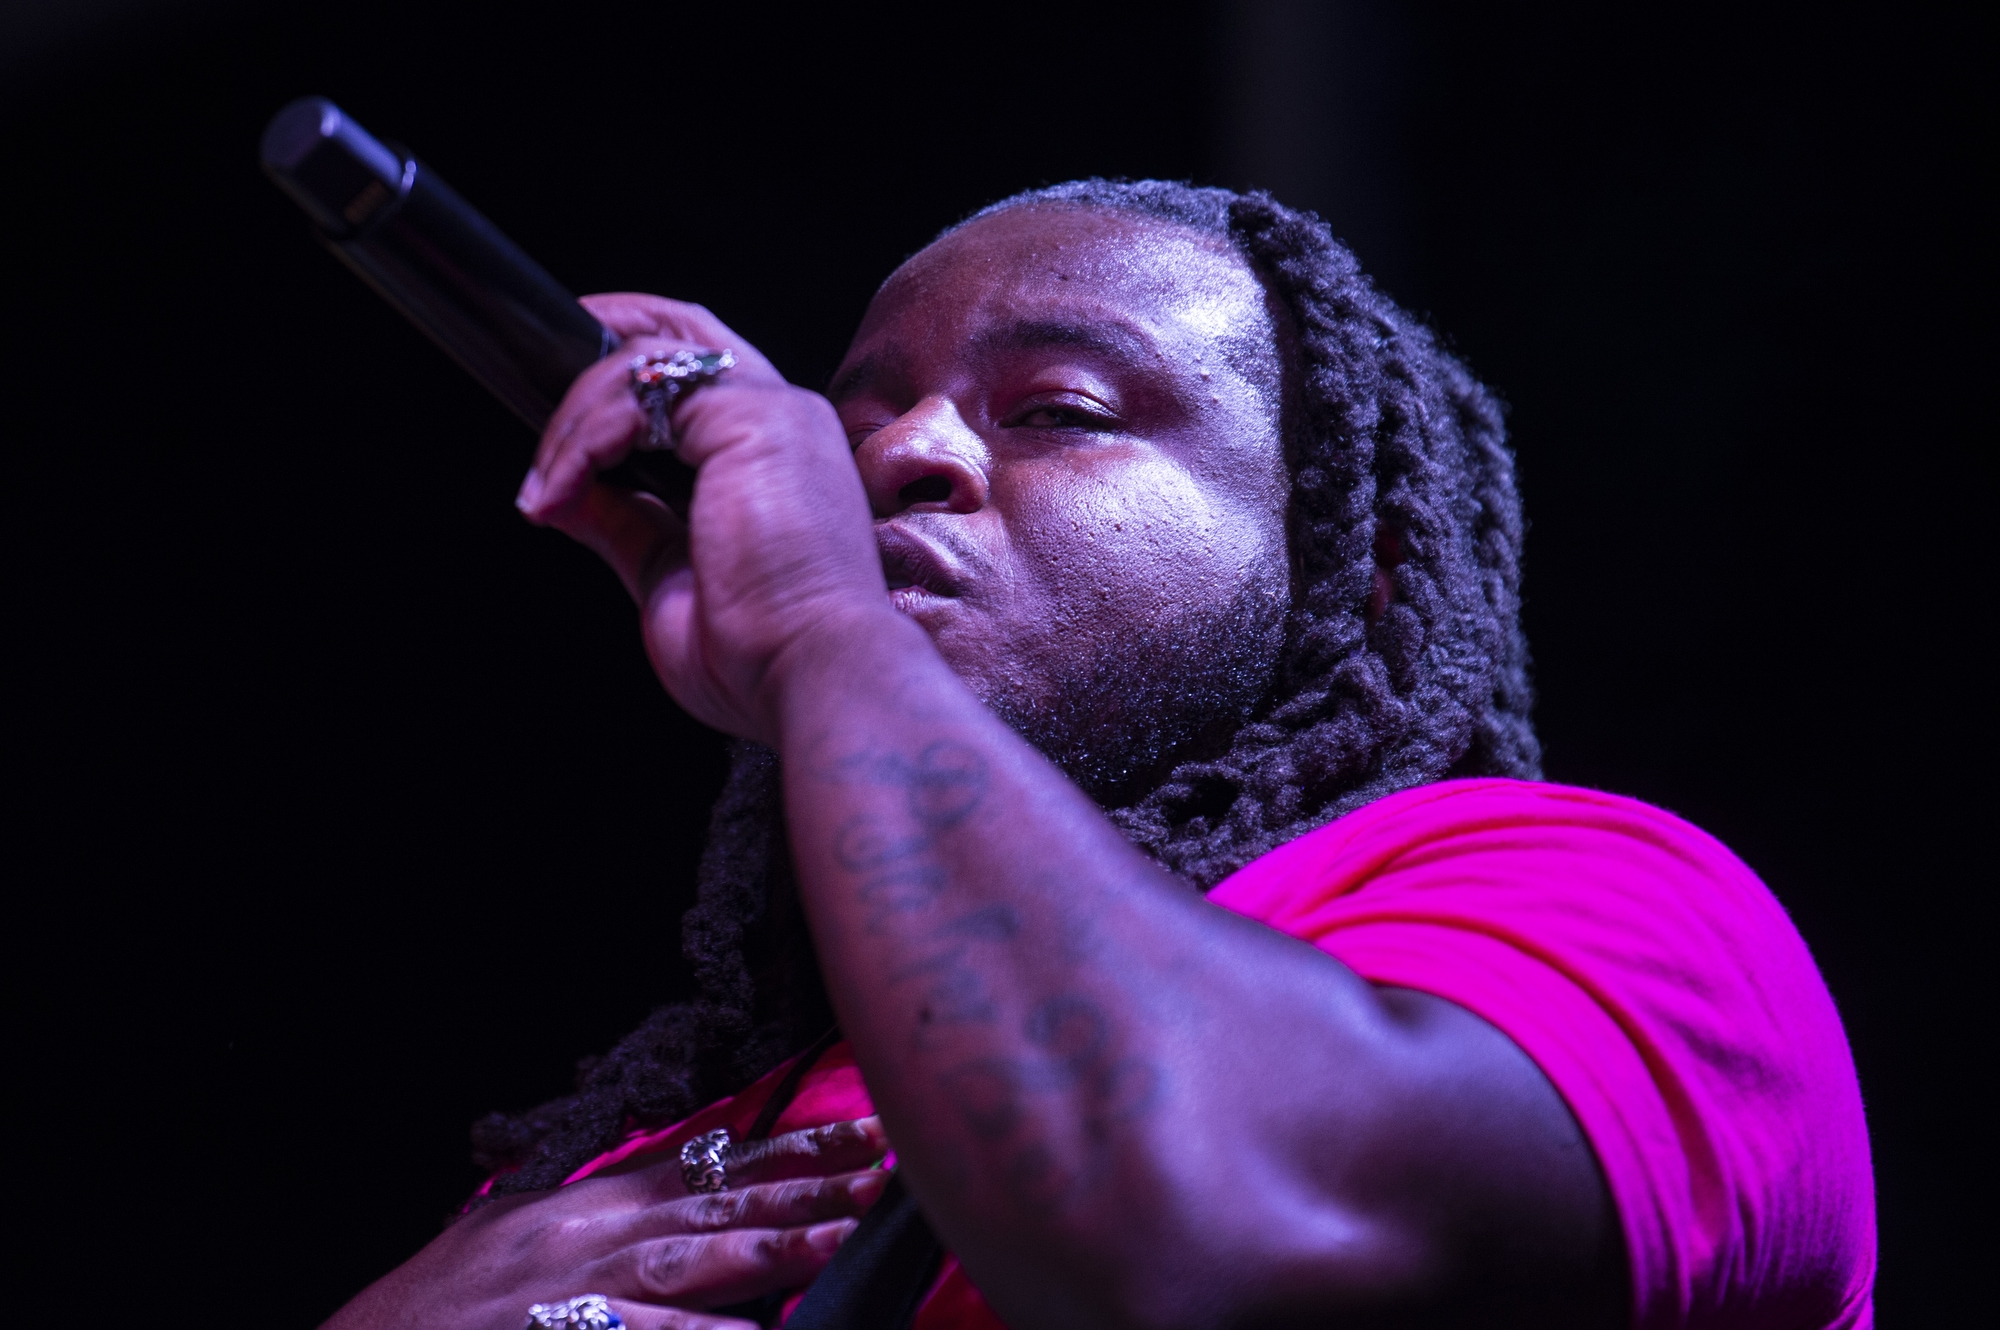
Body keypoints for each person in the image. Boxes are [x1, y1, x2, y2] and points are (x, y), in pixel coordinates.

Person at [322, 181, 1874, 1330]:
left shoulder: (1599, 908)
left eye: (1059, 409)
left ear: (1365, 556)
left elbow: (1212, 1237)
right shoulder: (657, 1130)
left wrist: (810, 621)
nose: (901, 458)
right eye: (854, 429)